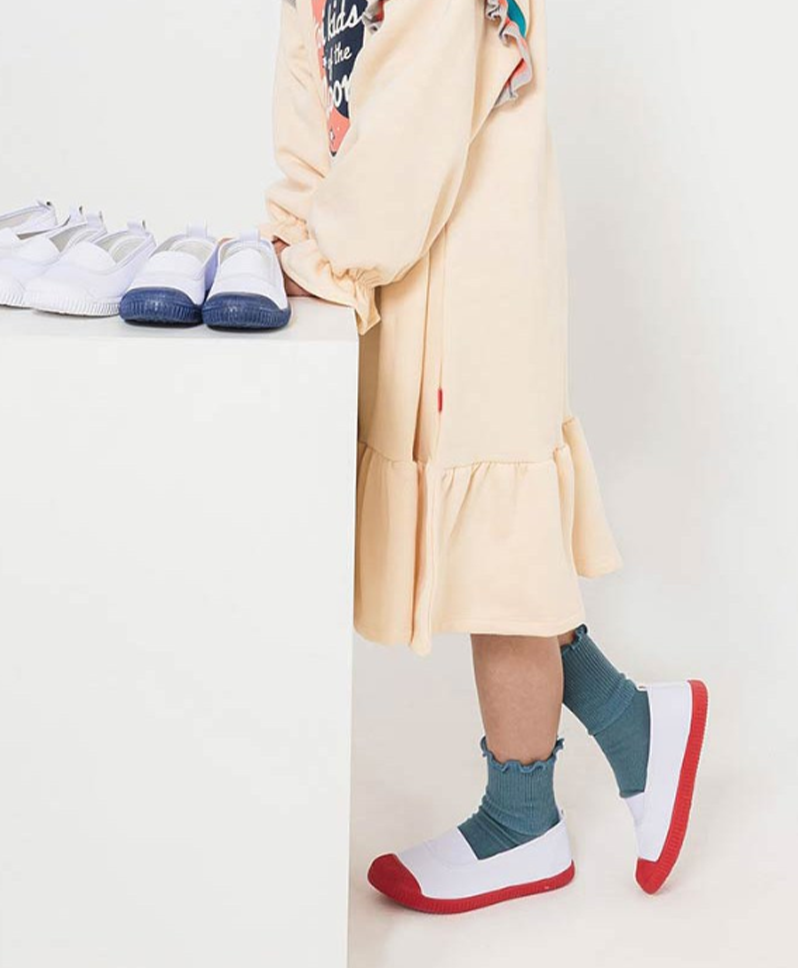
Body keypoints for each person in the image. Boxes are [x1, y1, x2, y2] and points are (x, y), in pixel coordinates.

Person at [263, 0, 708, 914]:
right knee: (490, 547)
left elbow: (405, 143)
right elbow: (306, 136)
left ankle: (524, 822)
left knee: (498, 551)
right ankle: (632, 724)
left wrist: (320, 257)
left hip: (471, 281)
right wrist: (293, 242)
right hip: (400, 279)